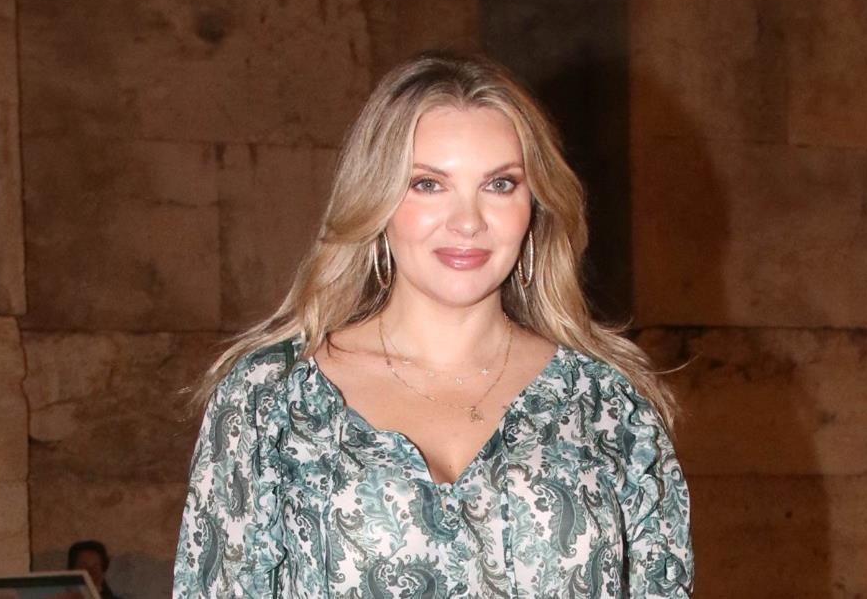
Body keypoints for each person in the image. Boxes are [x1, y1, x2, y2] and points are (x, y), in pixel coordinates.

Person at [172, 51, 693, 598]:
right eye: (428, 184)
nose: (468, 221)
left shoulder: (608, 405)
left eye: (500, 184)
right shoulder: (269, 400)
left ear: (535, 205)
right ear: (376, 198)